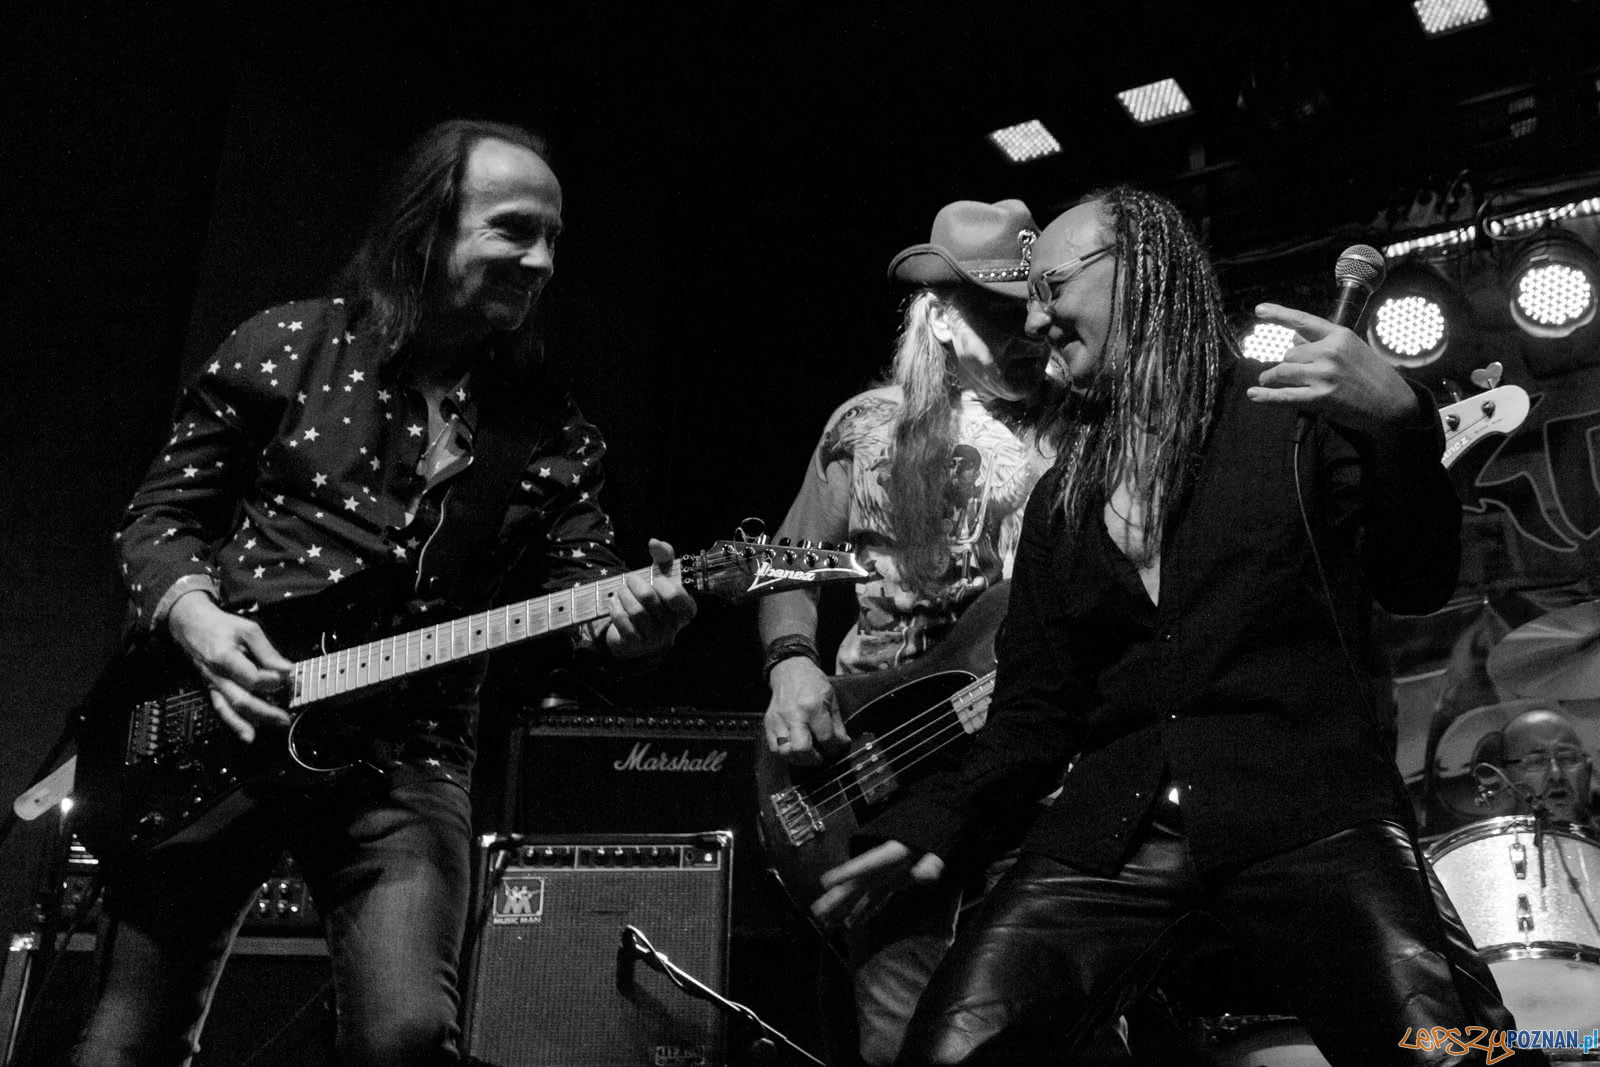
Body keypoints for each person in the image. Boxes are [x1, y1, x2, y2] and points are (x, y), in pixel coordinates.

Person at [815, 187, 1544, 1066]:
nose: (1036, 320)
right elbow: (1035, 713)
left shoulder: (1292, 422)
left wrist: (1399, 422)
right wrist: (935, 822)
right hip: (1115, 834)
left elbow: (1418, 581)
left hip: (1307, 816)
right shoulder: (1064, 499)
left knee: (1457, 1052)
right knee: (951, 1051)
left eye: (1052, 288)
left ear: (1144, 271)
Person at [73, 119, 696, 1067]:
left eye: (554, 238)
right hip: (217, 721)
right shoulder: (289, 345)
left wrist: (634, 628)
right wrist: (198, 620)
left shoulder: (554, 432)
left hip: (406, 753)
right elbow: (159, 518)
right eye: (513, 229)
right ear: (426, 228)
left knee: (404, 1037)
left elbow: (587, 596)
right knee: (125, 1044)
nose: (541, 261)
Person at [759, 200, 1054, 1066]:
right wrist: (791, 665)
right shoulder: (866, 426)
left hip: (1031, 771)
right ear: (941, 316)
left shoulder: (1082, 428)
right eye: (1000, 313)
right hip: (881, 762)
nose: (1029, 334)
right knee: (901, 1036)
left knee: (1046, 1022)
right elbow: (786, 564)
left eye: (1034, 308)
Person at [1499, 707, 1597, 830]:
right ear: (1505, 778)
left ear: (1587, 769)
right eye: (1537, 762)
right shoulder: (1490, 842)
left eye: (1567, 758)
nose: (1556, 774)